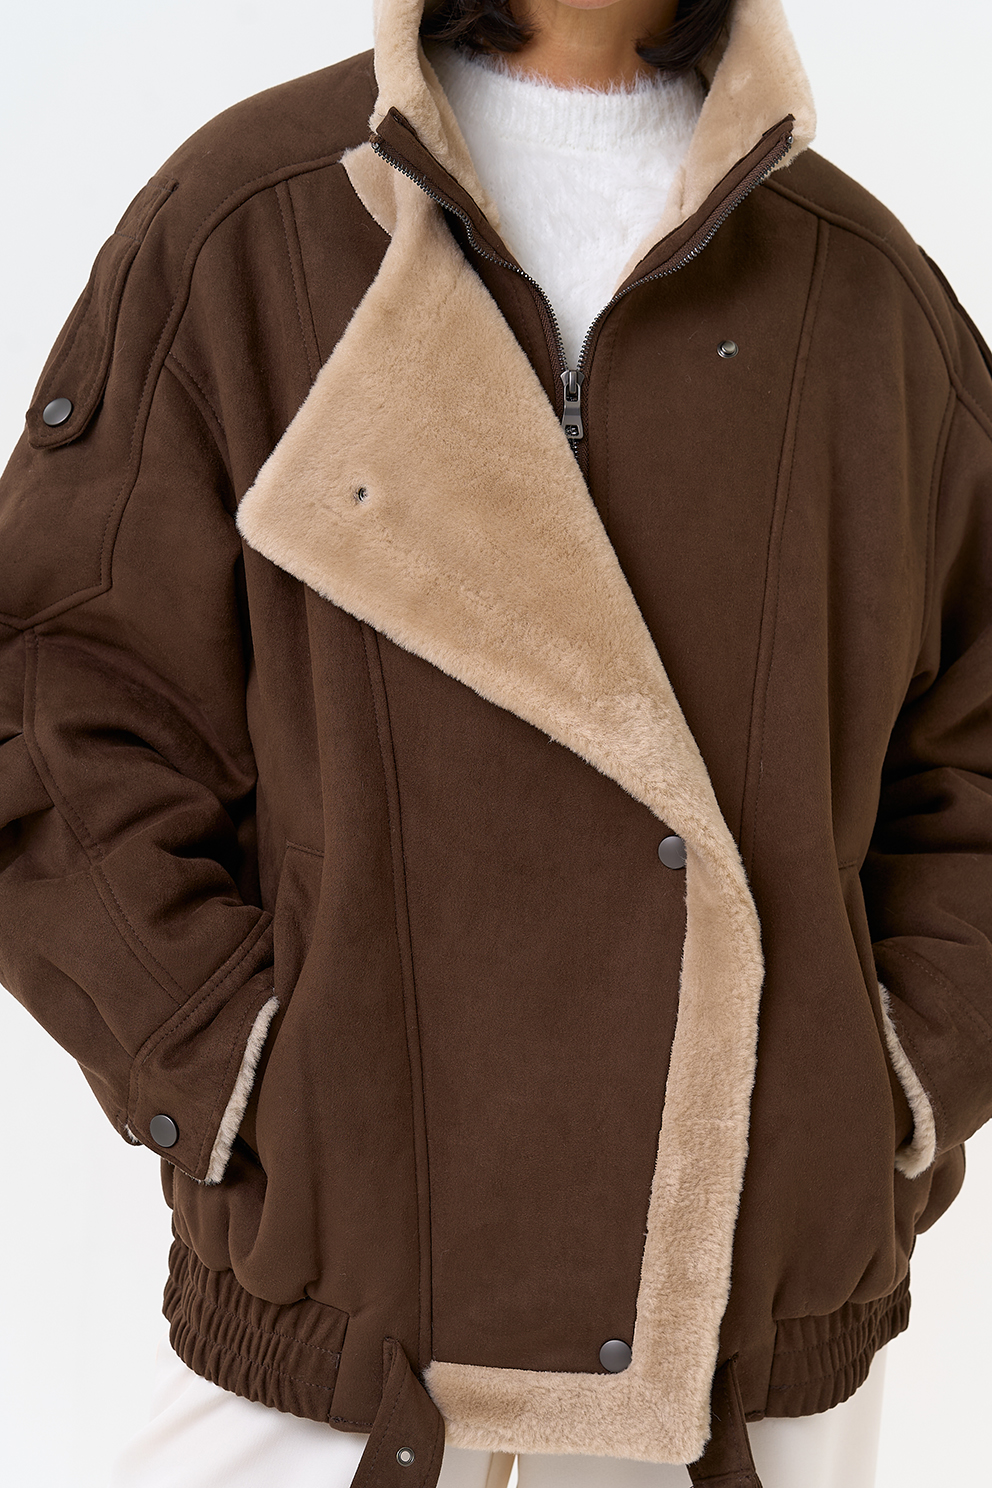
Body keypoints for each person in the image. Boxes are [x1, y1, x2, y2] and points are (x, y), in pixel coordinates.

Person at [1, 0, 991, 1485]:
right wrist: (232, 1067)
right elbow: (56, 694)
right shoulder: (252, 222)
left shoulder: (860, 285)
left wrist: (882, 1088)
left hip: (746, 1327)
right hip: (341, 1312)